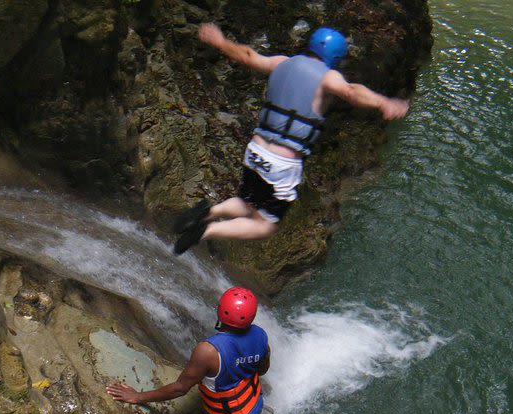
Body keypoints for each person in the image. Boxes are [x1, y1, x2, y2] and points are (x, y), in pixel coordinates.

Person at [173, 23, 410, 254]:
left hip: (255, 151)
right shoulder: (328, 77)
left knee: (249, 203)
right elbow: (352, 91)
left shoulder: (282, 63)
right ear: (335, 57)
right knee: (266, 224)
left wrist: (220, 41)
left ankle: (206, 212)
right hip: (281, 163)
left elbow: (246, 55)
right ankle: (206, 231)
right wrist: (383, 102)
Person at [106, 286, 271, 414]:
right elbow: (262, 369)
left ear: (220, 311)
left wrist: (138, 396)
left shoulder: (208, 351)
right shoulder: (260, 335)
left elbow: (180, 388)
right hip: (253, 401)